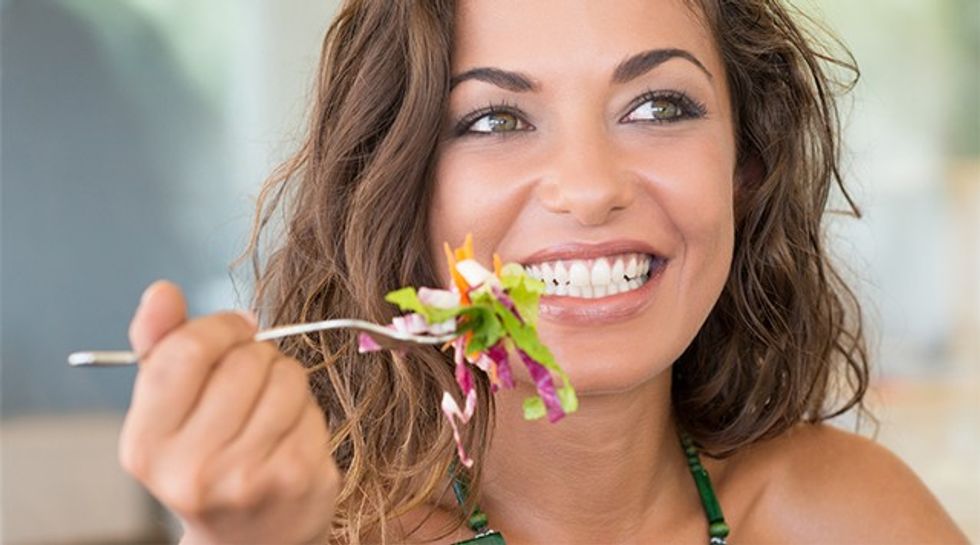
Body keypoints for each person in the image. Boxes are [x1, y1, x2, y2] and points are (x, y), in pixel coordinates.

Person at [120, 1, 971, 544]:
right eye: (495, 119)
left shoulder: (849, 513)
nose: (592, 188)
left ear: (745, 168)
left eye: (659, 107)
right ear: (401, 190)